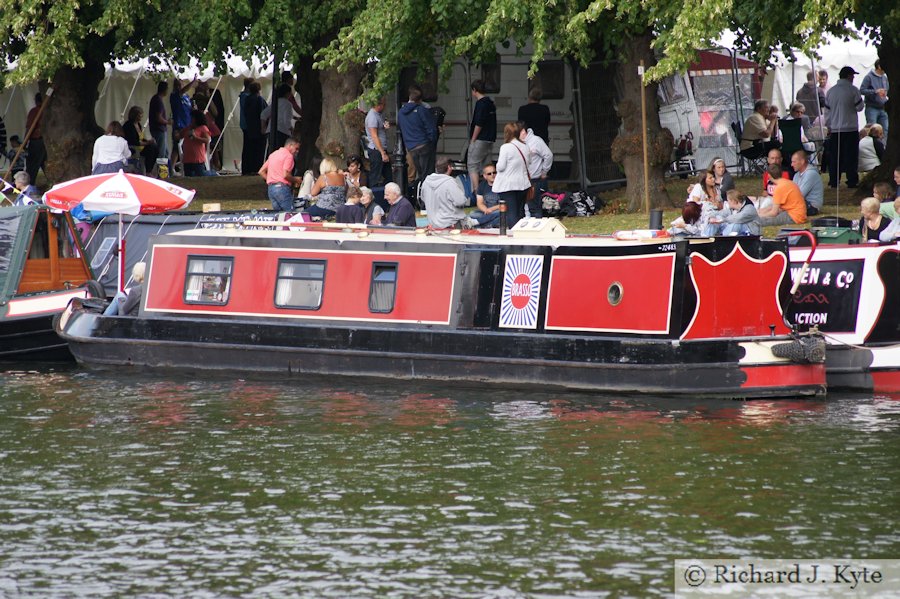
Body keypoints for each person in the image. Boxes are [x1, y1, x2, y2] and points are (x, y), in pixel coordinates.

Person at [826, 66, 865, 189]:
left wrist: (829, 126)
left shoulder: (831, 91)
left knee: (835, 156)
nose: (853, 78)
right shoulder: (853, 90)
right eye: (852, 76)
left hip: (835, 129)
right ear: (849, 76)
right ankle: (852, 180)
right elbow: (859, 107)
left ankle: (834, 180)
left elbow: (827, 112)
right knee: (851, 156)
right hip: (850, 128)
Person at [397, 84, 437, 198]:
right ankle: (426, 200)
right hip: (424, 145)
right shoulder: (421, 110)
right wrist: (432, 141)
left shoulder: (401, 112)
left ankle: (419, 197)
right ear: (419, 100)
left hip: (411, 148)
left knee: (419, 173)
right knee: (427, 175)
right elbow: (431, 128)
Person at [492, 122, 531, 228]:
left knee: (511, 213)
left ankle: (514, 237)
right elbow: (529, 163)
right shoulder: (525, 147)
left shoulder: (506, 147)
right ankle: (522, 234)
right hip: (523, 184)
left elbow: (500, 167)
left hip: (509, 186)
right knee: (520, 212)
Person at [466, 80, 497, 195]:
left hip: (481, 139)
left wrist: (473, 139)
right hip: (490, 139)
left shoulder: (481, 103)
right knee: (487, 166)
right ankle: (490, 191)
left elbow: (479, 123)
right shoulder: (490, 102)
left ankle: (477, 192)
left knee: (472, 164)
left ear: (474, 90)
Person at [421, 157, 469, 229]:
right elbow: (460, 201)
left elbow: (423, 198)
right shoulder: (450, 182)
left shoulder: (426, 182)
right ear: (449, 167)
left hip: (433, 224)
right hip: (451, 224)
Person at [258, 137, 302, 212]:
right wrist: (296, 180)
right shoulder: (288, 156)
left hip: (271, 189)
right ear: (290, 145)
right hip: (282, 188)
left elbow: (261, 171)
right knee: (291, 214)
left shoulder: (273, 154)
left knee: (279, 215)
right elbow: (285, 175)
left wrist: (272, 180)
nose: (297, 151)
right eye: (296, 148)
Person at [519, 124, 553, 218]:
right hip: (521, 179)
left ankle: (537, 226)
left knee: (534, 207)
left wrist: (544, 172)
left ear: (523, 131)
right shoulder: (517, 142)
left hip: (534, 179)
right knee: (521, 207)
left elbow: (548, 155)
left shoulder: (536, 141)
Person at [169, 77, 197, 170]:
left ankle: (185, 167)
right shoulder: (174, 95)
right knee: (176, 148)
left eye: (180, 84)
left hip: (188, 124)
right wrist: (193, 81)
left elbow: (190, 109)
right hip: (179, 125)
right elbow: (183, 91)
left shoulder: (187, 97)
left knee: (186, 147)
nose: (179, 86)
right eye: (177, 84)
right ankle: (171, 168)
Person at [364, 97, 392, 188]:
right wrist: (382, 153)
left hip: (381, 149)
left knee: (388, 175)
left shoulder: (379, 114)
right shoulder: (372, 117)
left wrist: (384, 126)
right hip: (377, 150)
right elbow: (374, 136)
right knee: (375, 175)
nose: (385, 107)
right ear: (379, 105)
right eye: (384, 105)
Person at [123, 106, 159, 174]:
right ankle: (148, 171)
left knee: (155, 148)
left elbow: (141, 138)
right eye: (140, 115)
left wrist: (149, 141)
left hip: (140, 146)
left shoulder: (138, 124)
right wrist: (147, 143)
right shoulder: (129, 125)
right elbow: (134, 141)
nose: (142, 116)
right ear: (135, 115)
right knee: (150, 149)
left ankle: (150, 169)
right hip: (133, 147)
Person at [261, 83, 296, 152]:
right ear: (287, 93)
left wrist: (263, 127)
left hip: (271, 130)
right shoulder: (288, 104)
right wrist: (292, 130)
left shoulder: (275, 102)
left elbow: (263, 114)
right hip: (282, 132)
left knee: (272, 152)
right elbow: (287, 121)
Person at [241, 81, 267, 175]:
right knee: (258, 151)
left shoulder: (247, 99)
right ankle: (257, 168)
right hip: (258, 129)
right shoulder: (259, 99)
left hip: (250, 128)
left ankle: (249, 168)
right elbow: (263, 114)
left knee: (250, 150)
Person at [860, 59, 889, 140]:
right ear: (879, 66)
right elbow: (862, 90)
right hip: (872, 108)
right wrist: (875, 91)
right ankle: (873, 147)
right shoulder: (869, 77)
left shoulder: (884, 77)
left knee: (885, 130)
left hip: (883, 107)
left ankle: (883, 149)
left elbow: (888, 89)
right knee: (872, 130)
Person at [791, 150, 824, 216]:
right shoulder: (796, 175)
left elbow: (799, 195)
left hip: (812, 206)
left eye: (794, 162)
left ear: (802, 161)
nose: (791, 164)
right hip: (802, 203)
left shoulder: (810, 174)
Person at [180, 110, 211, 177]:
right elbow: (180, 135)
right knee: (188, 178)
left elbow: (207, 140)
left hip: (198, 160)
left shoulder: (203, 128)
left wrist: (196, 137)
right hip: (187, 159)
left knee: (199, 177)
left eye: (192, 118)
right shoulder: (188, 128)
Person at [24, 93, 46, 185]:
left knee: (32, 167)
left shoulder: (35, 111)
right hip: (45, 142)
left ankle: (29, 187)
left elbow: (30, 128)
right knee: (45, 164)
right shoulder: (47, 110)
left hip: (37, 141)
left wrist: (24, 143)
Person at [148, 81, 170, 161]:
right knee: (161, 153)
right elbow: (159, 118)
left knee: (166, 152)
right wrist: (168, 122)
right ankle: (160, 172)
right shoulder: (158, 100)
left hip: (155, 129)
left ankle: (169, 171)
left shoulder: (155, 98)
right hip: (159, 130)